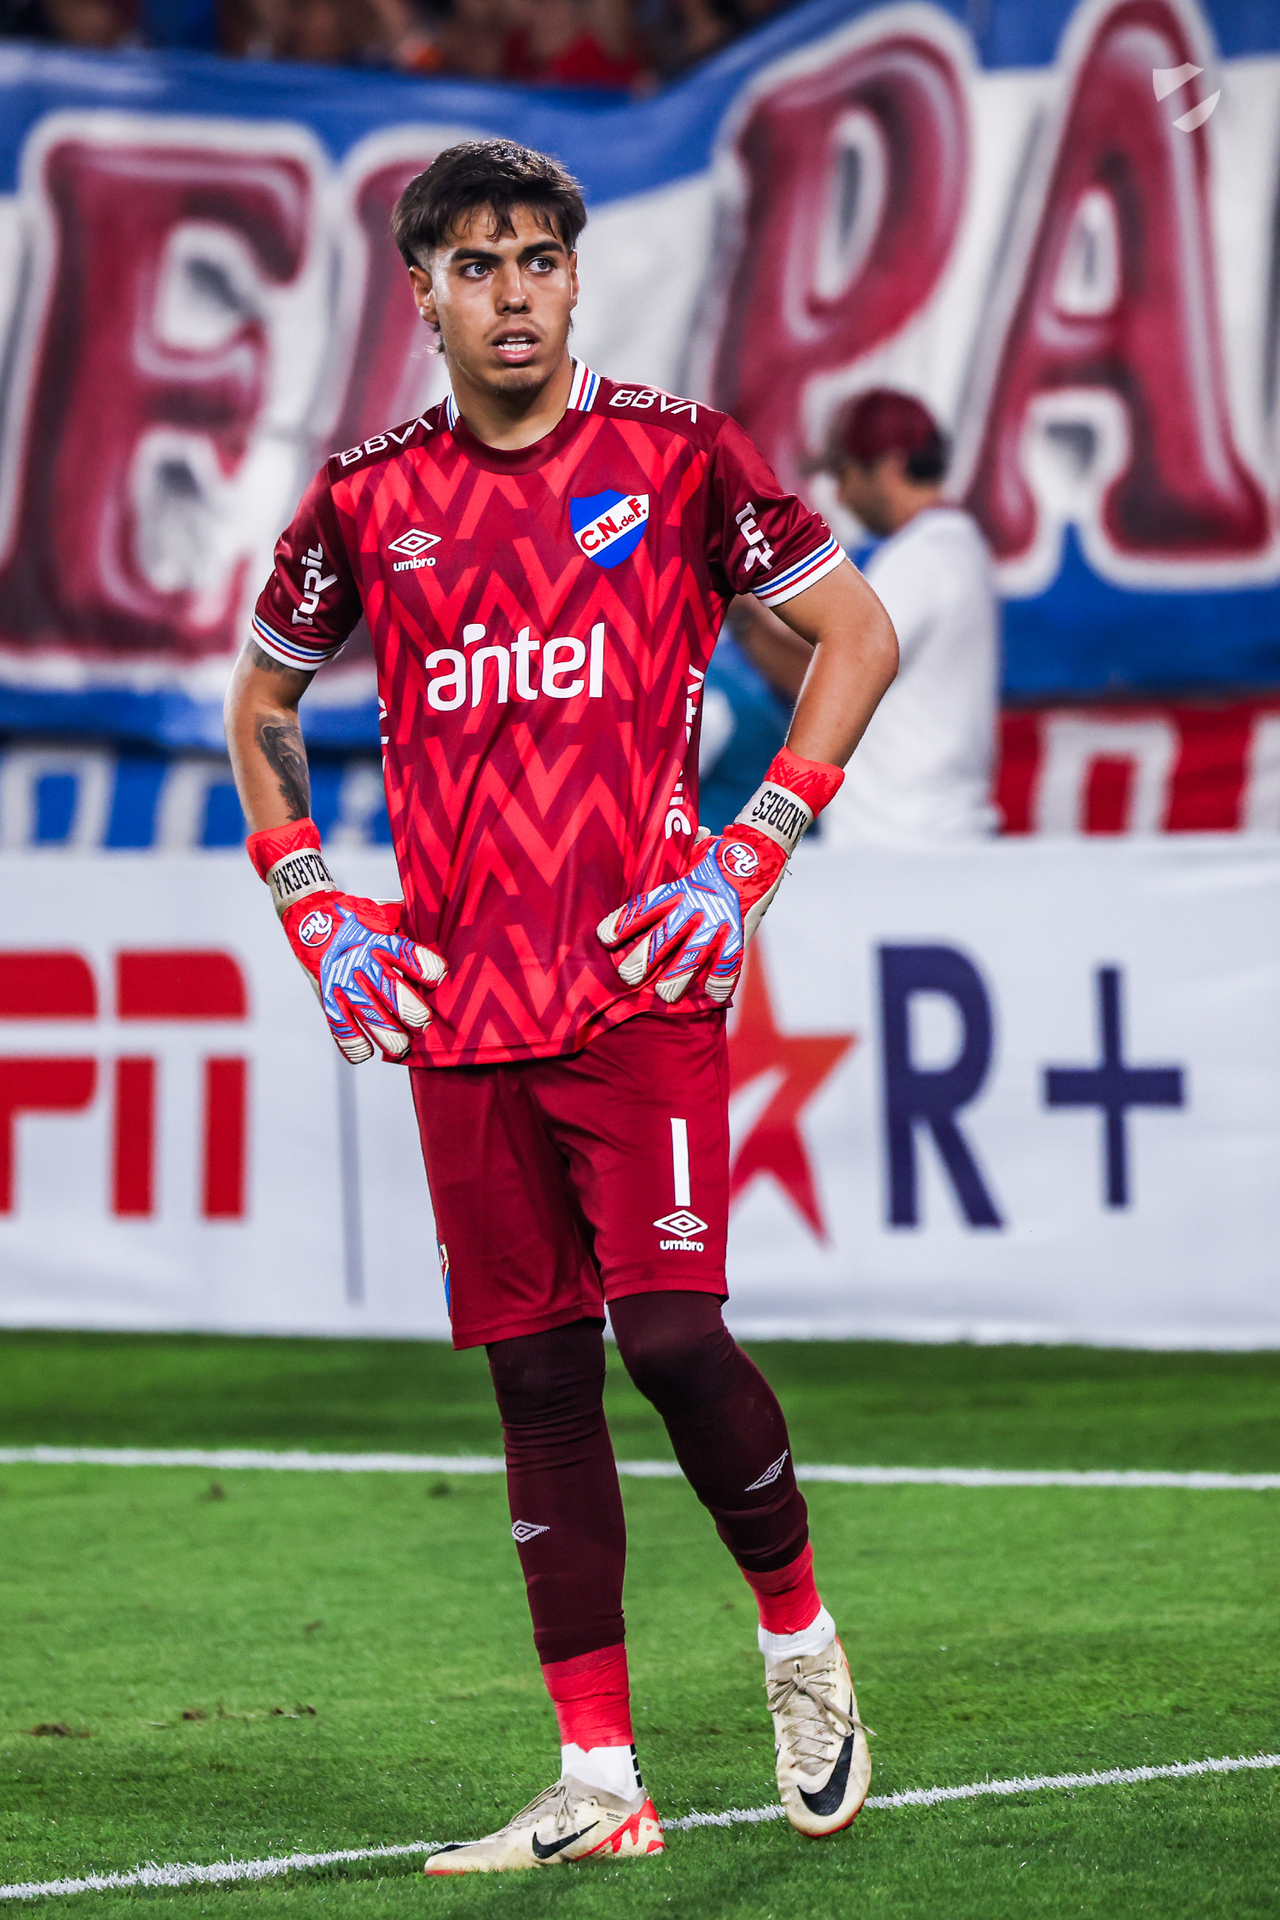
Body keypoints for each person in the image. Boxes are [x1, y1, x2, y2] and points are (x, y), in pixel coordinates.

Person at [224, 140, 897, 1874]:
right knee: (536, 1382)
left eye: (537, 258)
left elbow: (858, 637)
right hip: (458, 1006)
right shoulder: (365, 498)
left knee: (665, 1340)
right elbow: (263, 705)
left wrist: (753, 848)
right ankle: (599, 1777)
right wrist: (312, 905)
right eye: (476, 265)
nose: (512, 292)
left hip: (638, 982)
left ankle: (799, 1641)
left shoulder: (679, 457)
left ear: (574, 278)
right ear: (424, 294)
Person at [736, 387, 999, 847]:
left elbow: (825, 682)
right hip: (928, 837)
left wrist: (740, 618)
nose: (839, 493)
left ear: (890, 467)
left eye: (844, 472)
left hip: (901, 844)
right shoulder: (955, 545)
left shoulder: (921, 556)